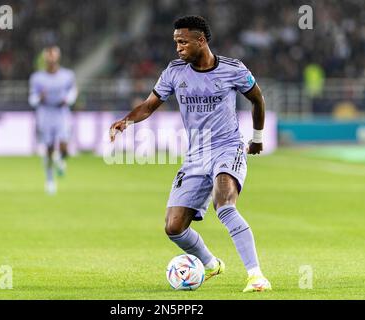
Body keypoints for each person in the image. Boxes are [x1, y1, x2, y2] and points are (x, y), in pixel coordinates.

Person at [110, 16, 271, 292]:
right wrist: (126, 120)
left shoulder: (233, 69)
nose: (178, 47)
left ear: (201, 40)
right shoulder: (174, 72)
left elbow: (257, 99)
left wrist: (256, 138)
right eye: (176, 42)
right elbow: (149, 105)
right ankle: (211, 264)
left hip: (227, 147)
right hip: (196, 155)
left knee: (225, 205)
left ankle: (256, 276)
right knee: (173, 227)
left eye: (183, 42)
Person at [28, 46, 78, 194]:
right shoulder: (37, 78)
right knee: (49, 148)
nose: (51, 60)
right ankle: (50, 180)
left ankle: (60, 161)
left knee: (64, 146)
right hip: (45, 113)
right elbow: (31, 99)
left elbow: (73, 91)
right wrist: (39, 98)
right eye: (48, 57)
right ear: (45, 59)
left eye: (53, 56)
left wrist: (68, 100)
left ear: (57, 58)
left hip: (61, 112)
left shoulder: (67, 75)